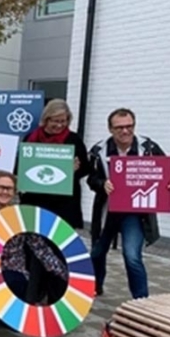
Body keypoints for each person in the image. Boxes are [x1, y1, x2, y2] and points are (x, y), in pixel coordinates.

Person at [0, 171, 68, 333]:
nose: (4, 192)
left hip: (12, 272)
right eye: (0, 187)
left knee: (12, 284)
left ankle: (6, 311)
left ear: (14, 192)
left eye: (9, 189)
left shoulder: (22, 217)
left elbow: (41, 250)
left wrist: (68, 277)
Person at [88, 108, 164, 299]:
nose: (125, 131)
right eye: (119, 127)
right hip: (107, 210)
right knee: (97, 253)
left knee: (132, 256)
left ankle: (141, 299)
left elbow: (164, 171)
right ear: (110, 129)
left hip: (134, 213)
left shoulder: (148, 148)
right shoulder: (98, 151)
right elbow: (91, 179)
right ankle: (95, 286)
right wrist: (101, 184)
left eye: (129, 126)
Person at [20, 99, 90, 229]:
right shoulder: (31, 138)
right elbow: (19, 167)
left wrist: (74, 170)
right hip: (35, 199)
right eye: (55, 121)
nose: (59, 125)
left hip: (64, 204)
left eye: (63, 121)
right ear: (46, 119)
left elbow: (86, 168)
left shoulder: (74, 140)